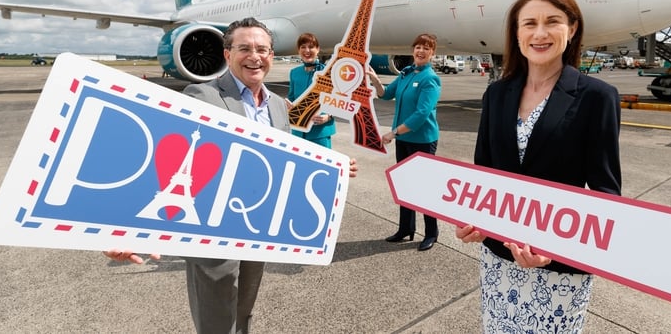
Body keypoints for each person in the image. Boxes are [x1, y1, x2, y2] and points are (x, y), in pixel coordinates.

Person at [104, 17, 357, 334]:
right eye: (245, 48)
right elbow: (163, 160)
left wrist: (332, 167)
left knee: (244, 314)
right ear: (227, 55)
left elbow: (287, 163)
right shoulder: (203, 96)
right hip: (213, 237)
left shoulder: (278, 106)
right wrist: (123, 228)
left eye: (263, 49)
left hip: (256, 229)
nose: (255, 56)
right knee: (216, 324)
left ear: (272, 56)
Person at [455, 0, 622, 333]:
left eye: (553, 21)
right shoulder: (496, 94)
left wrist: (554, 248)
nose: (540, 33)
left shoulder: (597, 97)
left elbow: (607, 194)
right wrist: (470, 221)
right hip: (498, 260)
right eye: (529, 23)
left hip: (558, 269)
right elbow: (482, 174)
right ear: (516, 33)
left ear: (572, 28)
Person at [366, 33, 442, 251]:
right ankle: (406, 228)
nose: (420, 51)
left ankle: (431, 233)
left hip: (422, 141)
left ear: (432, 53)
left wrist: (393, 133)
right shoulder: (406, 74)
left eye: (426, 48)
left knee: (426, 188)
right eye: (417, 46)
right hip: (404, 139)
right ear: (412, 50)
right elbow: (385, 95)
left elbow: (421, 114)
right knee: (405, 184)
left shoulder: (430, 79)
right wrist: (374, 78)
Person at [286, 32, 336, 147]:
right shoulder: (294, 73)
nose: (307, 50)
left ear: (318, 49)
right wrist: (287, 105)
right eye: (303, 47)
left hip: (320, 132)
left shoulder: (329, 72)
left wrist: (329, 116)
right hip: (298, 131)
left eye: (311, 47)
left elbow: (340, 101)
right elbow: (292, 97)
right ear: (298, 50)